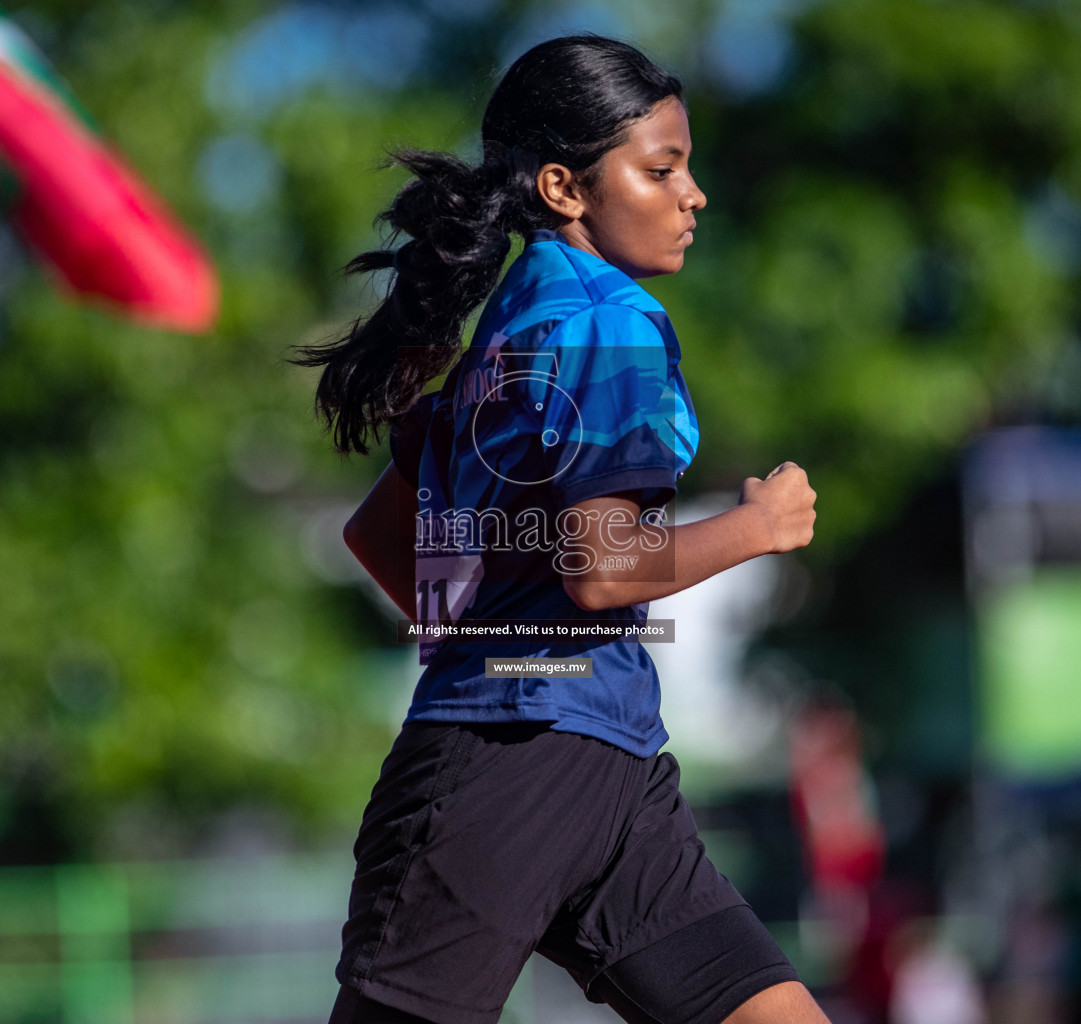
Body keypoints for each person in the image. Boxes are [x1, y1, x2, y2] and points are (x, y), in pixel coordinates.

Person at [293, 35, 826, 1024]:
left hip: (596, 762)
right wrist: (755, 526)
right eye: (661, 169)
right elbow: (598, 567)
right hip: (512, 768)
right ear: (564, 187)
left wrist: (487, 642)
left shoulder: (510, 327)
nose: (692, 193)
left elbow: (382, 535)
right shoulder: (608, 321)